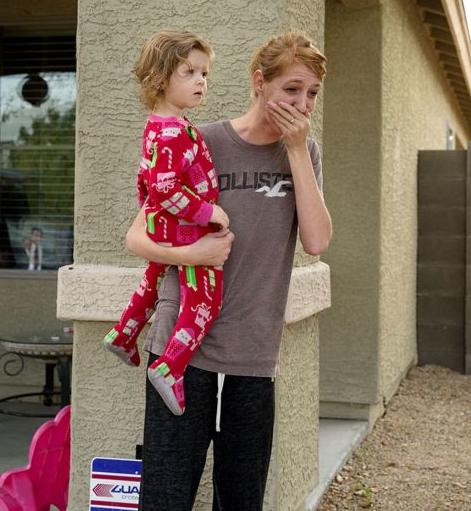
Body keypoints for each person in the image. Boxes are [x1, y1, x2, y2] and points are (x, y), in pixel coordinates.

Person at [125, 31, 332, 510]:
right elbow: (137, 237)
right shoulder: (203, 140)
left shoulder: (304, 154)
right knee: (166, 498)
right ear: (260, 82)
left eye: (312, 94)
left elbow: (316, 241)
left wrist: (298, 151)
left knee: (241, 500)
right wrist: (193, 256)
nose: (303, 103)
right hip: (181, 355)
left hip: (253, 356)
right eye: (293, 89)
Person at [104, 30, 229, 416]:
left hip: (165, 226)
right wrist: (210, 213)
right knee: (206, 298)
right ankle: (170, 366)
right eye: (189, 72)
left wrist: (156, 221)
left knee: (155, 276)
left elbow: (146, 181)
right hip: (186, 229)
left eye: (204, 74)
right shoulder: (174, 131)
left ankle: (124, 334)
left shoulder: (159, 125)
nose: (201, 82)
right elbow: (164, 187)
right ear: (161, 79)